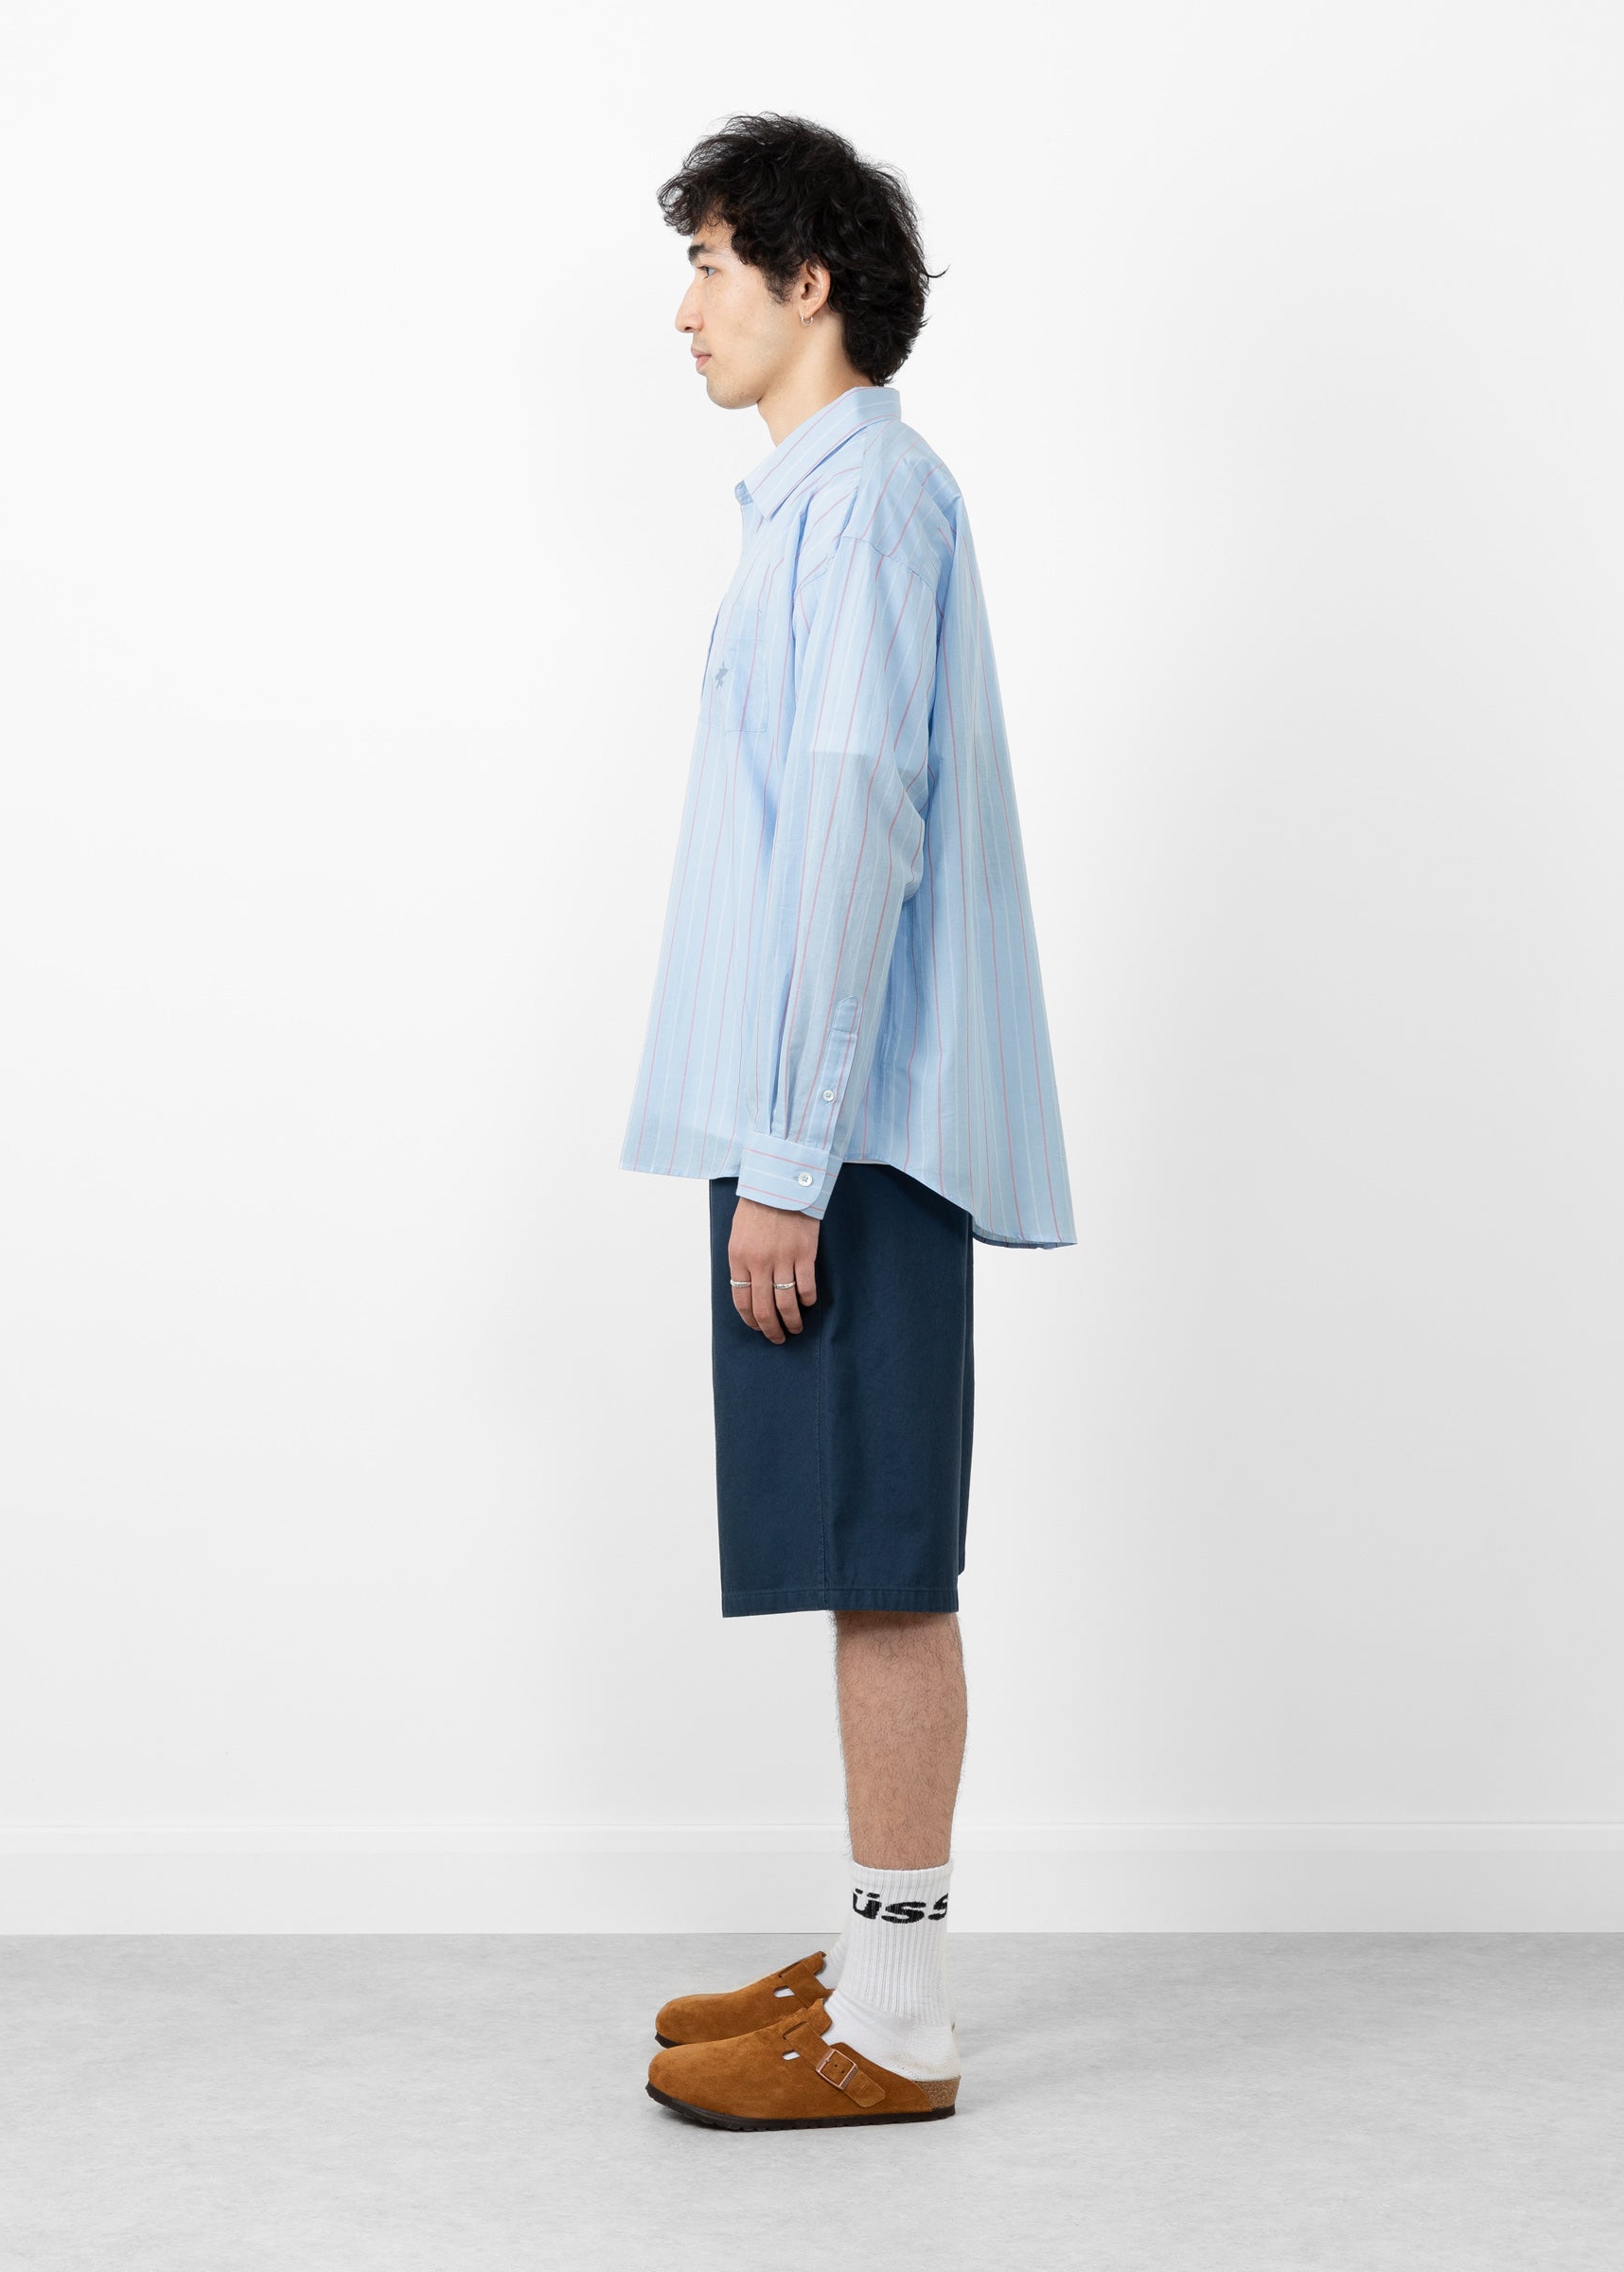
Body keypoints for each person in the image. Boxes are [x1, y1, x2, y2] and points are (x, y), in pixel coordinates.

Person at [618, 112, 1075, 2132]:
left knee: (885, 1557)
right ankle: (868, 1954)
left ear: (810, 283)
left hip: (854, 1127)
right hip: (817, 1111)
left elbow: (851, 836)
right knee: (846, 1544)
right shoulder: (812, 506)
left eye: (714, 263)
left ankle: (895, 2021)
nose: (686, 307)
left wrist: (788, 1165)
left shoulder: (872, 501)